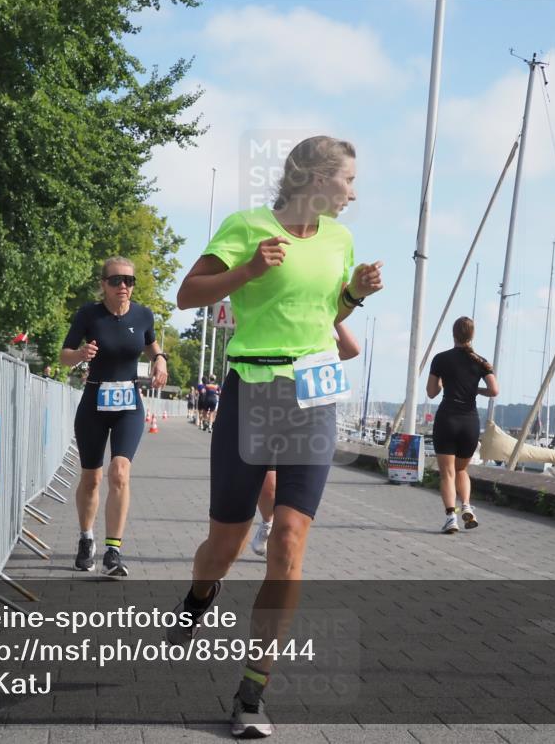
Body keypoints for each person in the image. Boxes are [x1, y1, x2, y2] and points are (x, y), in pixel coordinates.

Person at [167, 135, 383, 738]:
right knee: (225, 546)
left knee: (287, 537)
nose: (353, 191)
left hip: (312, 390)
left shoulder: (340, 240)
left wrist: (354, 295)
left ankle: (252, 691)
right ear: (315, 179)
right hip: (252, 390)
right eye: (348, 179)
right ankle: (199, 595)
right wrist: (248, 269)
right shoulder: (246, 226)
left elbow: (326, 315)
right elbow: (187, 296)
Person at [60, 256, 168, 576]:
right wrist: (80, 355)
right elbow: (64, 356)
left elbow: (151, 343)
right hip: (94, 401)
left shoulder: (143, 314)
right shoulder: (88, 315)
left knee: (120, 472)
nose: (124, 286)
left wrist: (160, 360)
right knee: (92, 477)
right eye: (117, 280)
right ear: (103, 284)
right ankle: (85, 538)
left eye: (129, 281)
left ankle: (113, 551)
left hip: (128, 404)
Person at [250, 321, 361, 558]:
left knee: (293, 503)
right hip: (269, 406)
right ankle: (268, 522)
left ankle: (282, 534)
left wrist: (337, 318)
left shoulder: (321, 330)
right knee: (268, 484)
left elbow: (352, 350)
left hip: (309, 413)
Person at [426, 316, 499, 534]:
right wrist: (475, 390)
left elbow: (431, 392)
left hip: (447, 418)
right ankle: (467, 505)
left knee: (447, 473)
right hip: (469, 421)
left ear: (453, 334)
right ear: (472, 335)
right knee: (462, 470)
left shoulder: (440, 359)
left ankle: (451, 518)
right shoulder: (481, 361)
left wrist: (442, 381)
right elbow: (495, 391)